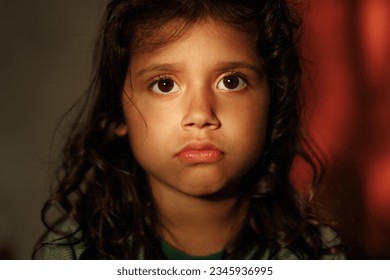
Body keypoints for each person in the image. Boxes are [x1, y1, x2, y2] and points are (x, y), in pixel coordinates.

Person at [34, 0, 344, 260]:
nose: (200, 115)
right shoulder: (72, 256)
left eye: (231, 81)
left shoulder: (318, 255)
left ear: (274, 101)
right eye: (165, 84)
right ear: (118, 114)